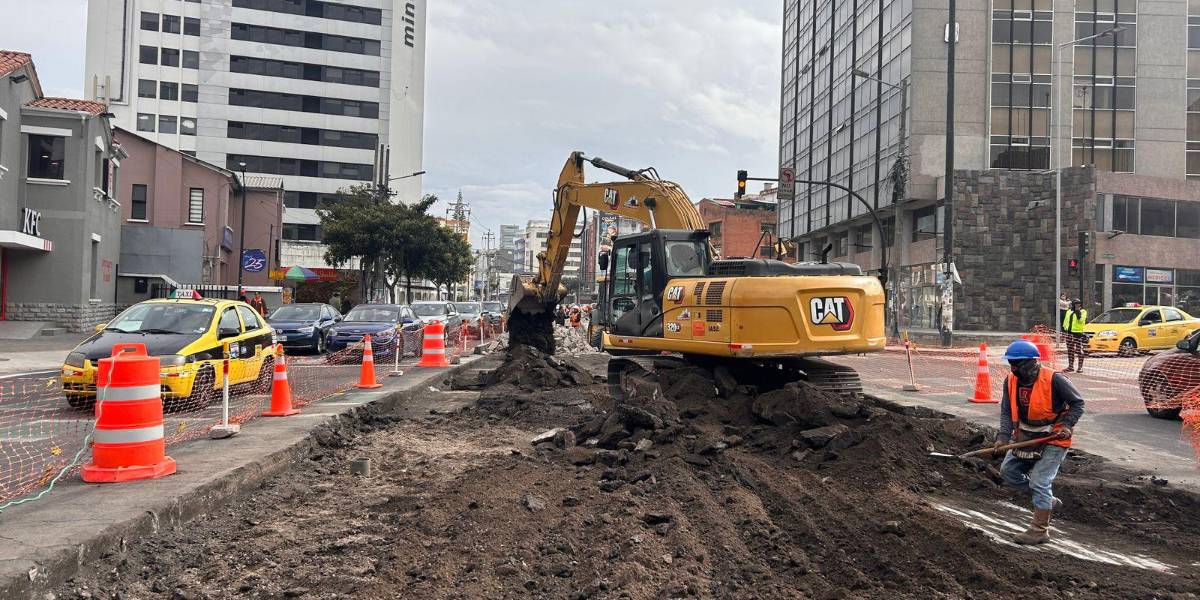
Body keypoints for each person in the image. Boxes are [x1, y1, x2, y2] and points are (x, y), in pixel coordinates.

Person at [995, 339, 1085, 545]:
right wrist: (1002, 437)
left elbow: (1078, 403)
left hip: (1053, 437)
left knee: (1039, 481)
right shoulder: (1010, 381)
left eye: (1017, 364)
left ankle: (1039, 530)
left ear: (1031, 362)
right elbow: (1006, 411)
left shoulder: (1055, 379)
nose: (1013, 369)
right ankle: (1046, 500)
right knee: (1008, 471)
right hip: (1026, 435)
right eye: (1011, 364)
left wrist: (1067, 425)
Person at [1062, 298, 1088, 373]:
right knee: (1070, 350)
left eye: (1079, 304)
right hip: (1069, 333)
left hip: (1078, 333)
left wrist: (1077, 312)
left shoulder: (1083, 311)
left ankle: (1080, 367)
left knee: (1079, 350)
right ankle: (1070, 366)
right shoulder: (1069, 311)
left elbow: (1081, 320)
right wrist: (1064, 331)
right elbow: (1065, 321)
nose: (1077, 305)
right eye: (1076, 304)